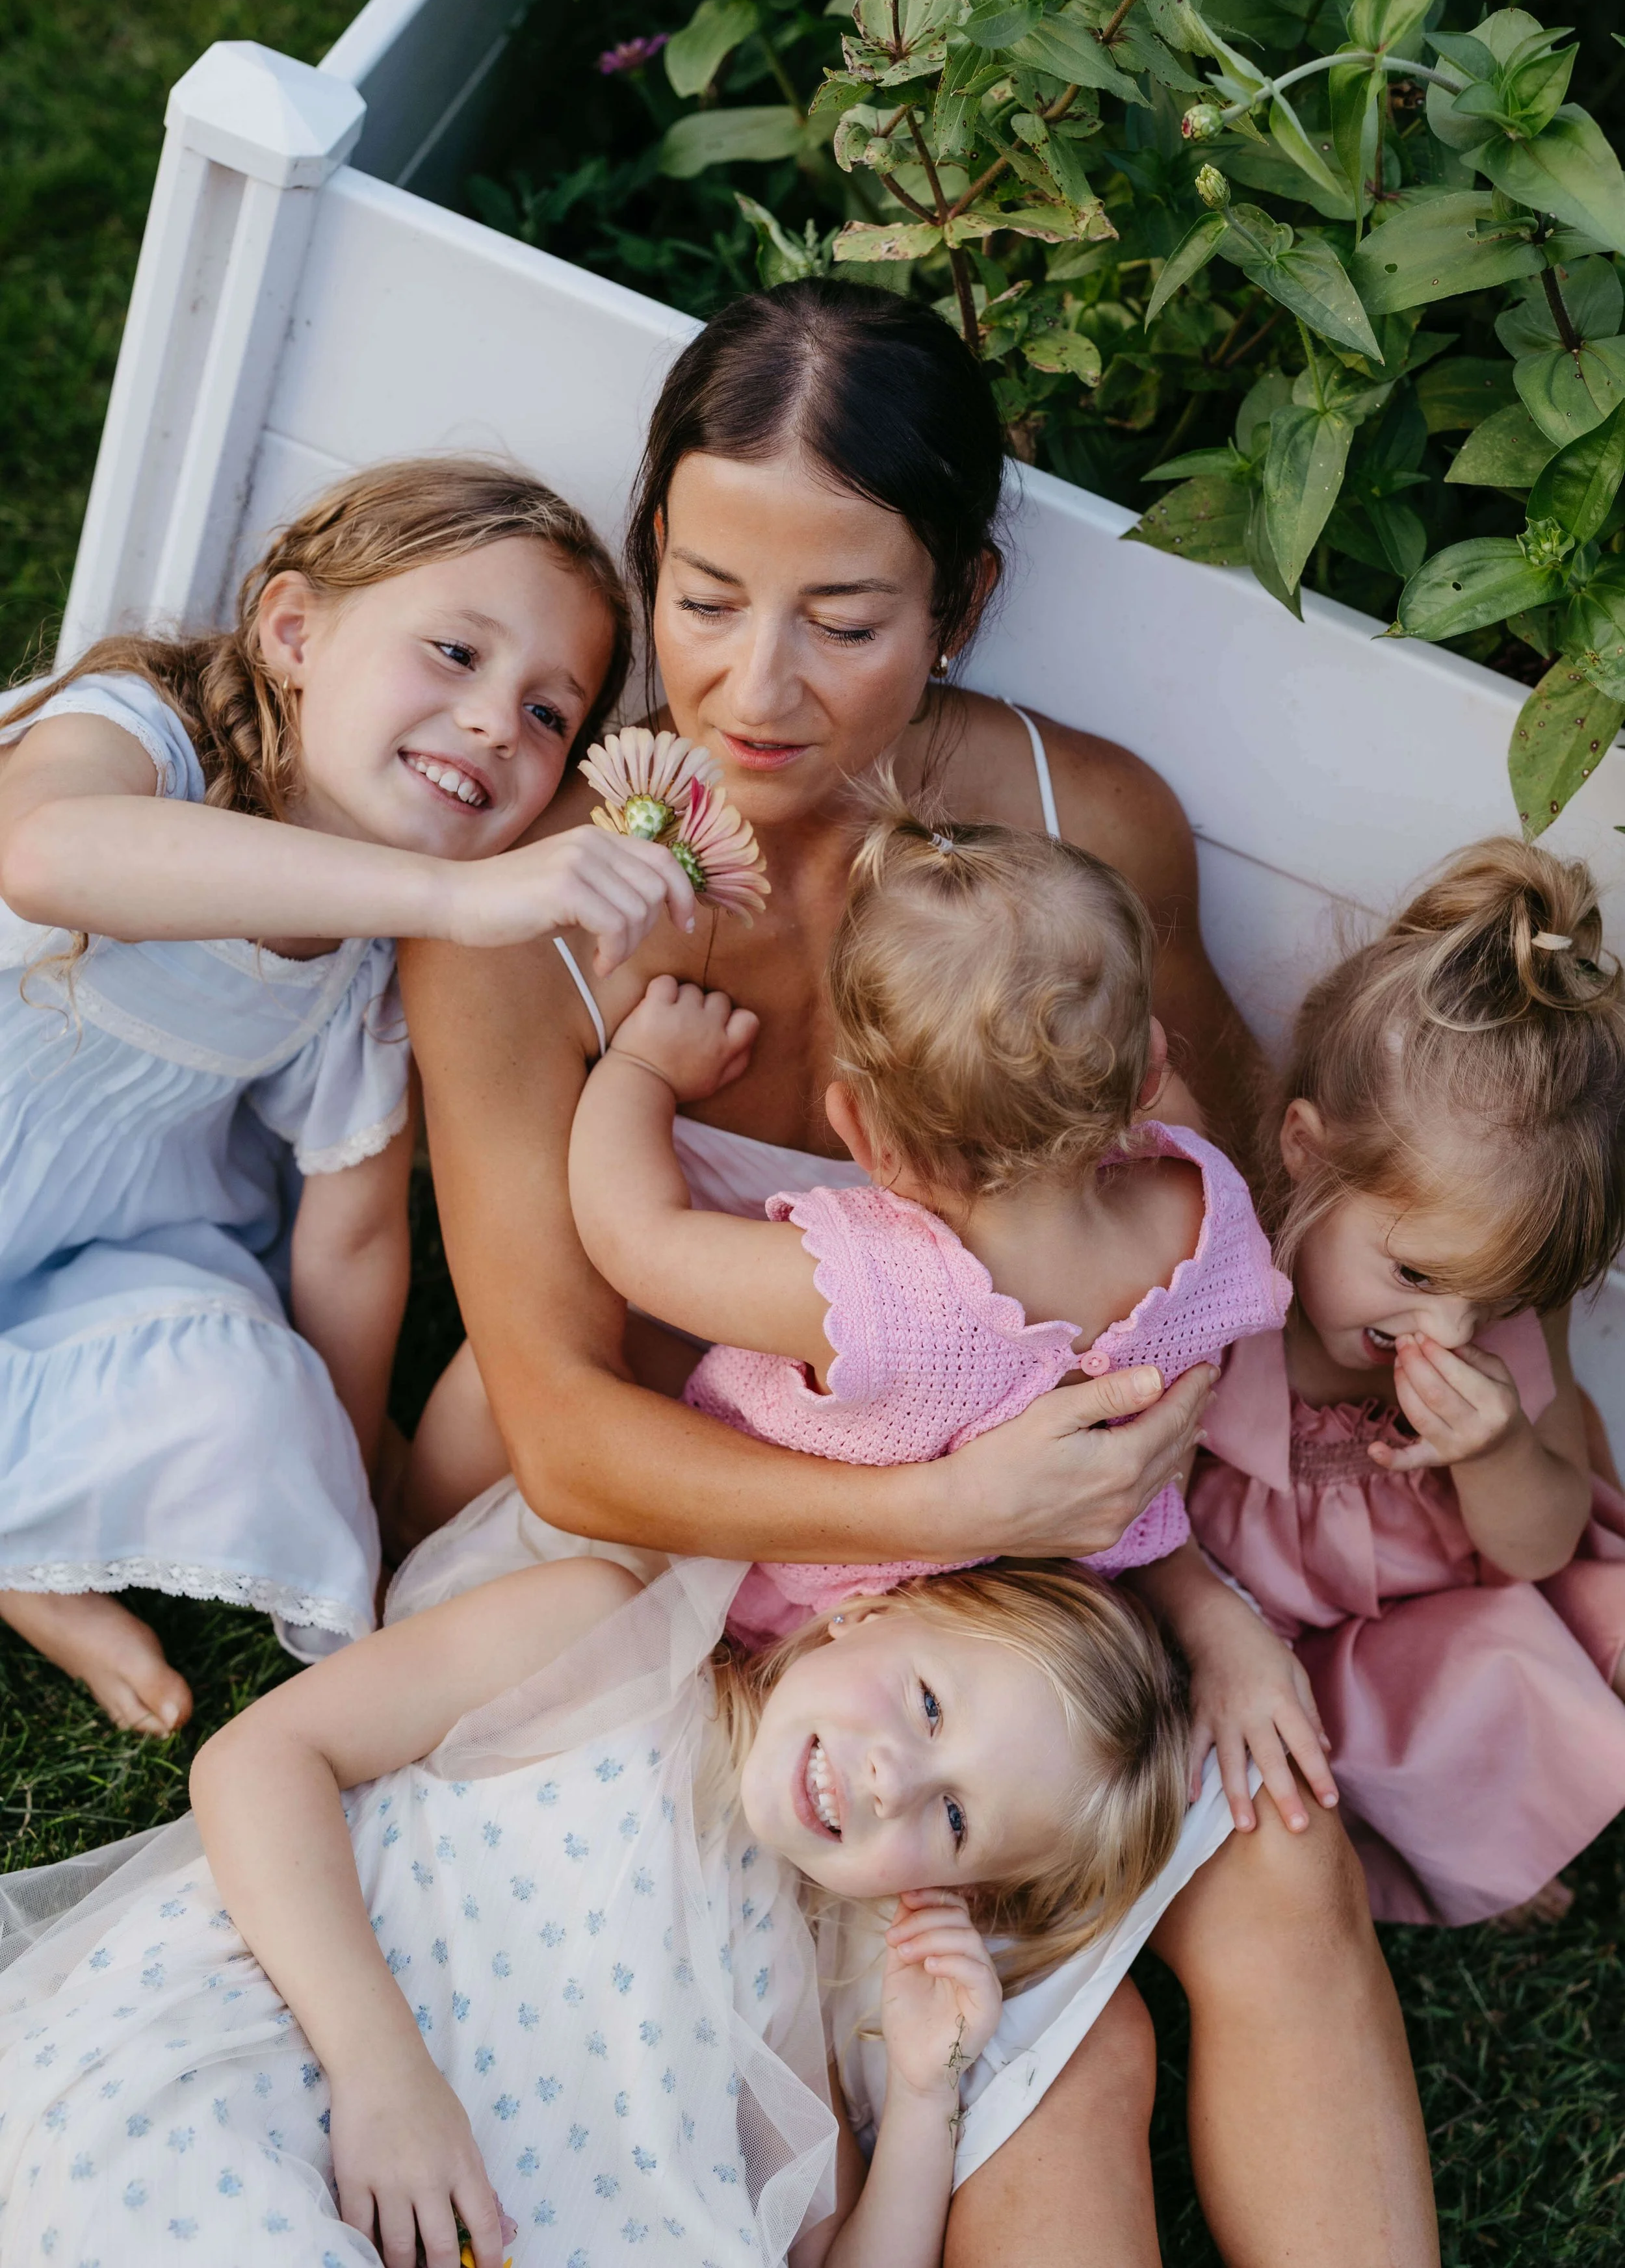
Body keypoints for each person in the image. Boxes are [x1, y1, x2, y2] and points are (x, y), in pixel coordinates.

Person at [395, 281, 1438, 2265]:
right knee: (1067, 2065)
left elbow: (1164, 1258)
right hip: (685, 1578)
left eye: (844, 620)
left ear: (958, 600)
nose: (751, 685)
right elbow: (559, 1425)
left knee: (1279, 1861)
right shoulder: (521, 910)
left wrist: (1198, 1590)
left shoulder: (1079, 829)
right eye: (700, 594)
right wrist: (943, 1503)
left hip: (1041, 1598)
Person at [0, 458, 696, 1735]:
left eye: (551, 716)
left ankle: (24, 1540)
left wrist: (348, 1468)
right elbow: (43, 857)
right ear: (292, 631)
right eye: (453, 652)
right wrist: (461, 899)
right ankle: (29, 1558)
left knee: (244, 1405)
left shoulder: (365, 973)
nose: (496, 722)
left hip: (71, 1261)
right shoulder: (143, 732)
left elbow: (356, 1232)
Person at [0, 1549, 1188, 2268]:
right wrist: (385, 2077)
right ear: (873, 1611)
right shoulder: (604, 1639)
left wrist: (926, 2097)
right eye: (930, 1704)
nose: (894, 1779)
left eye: (956, 1819)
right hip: (291, 2057)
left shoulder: (787, 1994)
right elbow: (259, 1763)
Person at [567, 792, 1290, 1647]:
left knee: (586, 1360)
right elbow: (1176, 1115)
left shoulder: (860, 1292)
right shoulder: (1202, 1215)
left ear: (866, 1138)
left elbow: (633, 1237)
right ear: (1148, 1074)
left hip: (828, 1605)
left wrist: (642, 1067)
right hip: (1051, 1603)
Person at [1184, 838, 1625, 1927]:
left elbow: (1535, 1547)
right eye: (1419, 1274)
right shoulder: (1212, 1293)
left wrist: (1498, 1450)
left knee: (1508, 1668)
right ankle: (1412, 1820)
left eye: (1492, 1299)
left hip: (1415, 1632)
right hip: (1235, 1629)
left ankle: (1459, 1811)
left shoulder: (1498, 1325)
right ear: (1308, 1153)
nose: (1447, 1331)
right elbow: (1131, 1515)